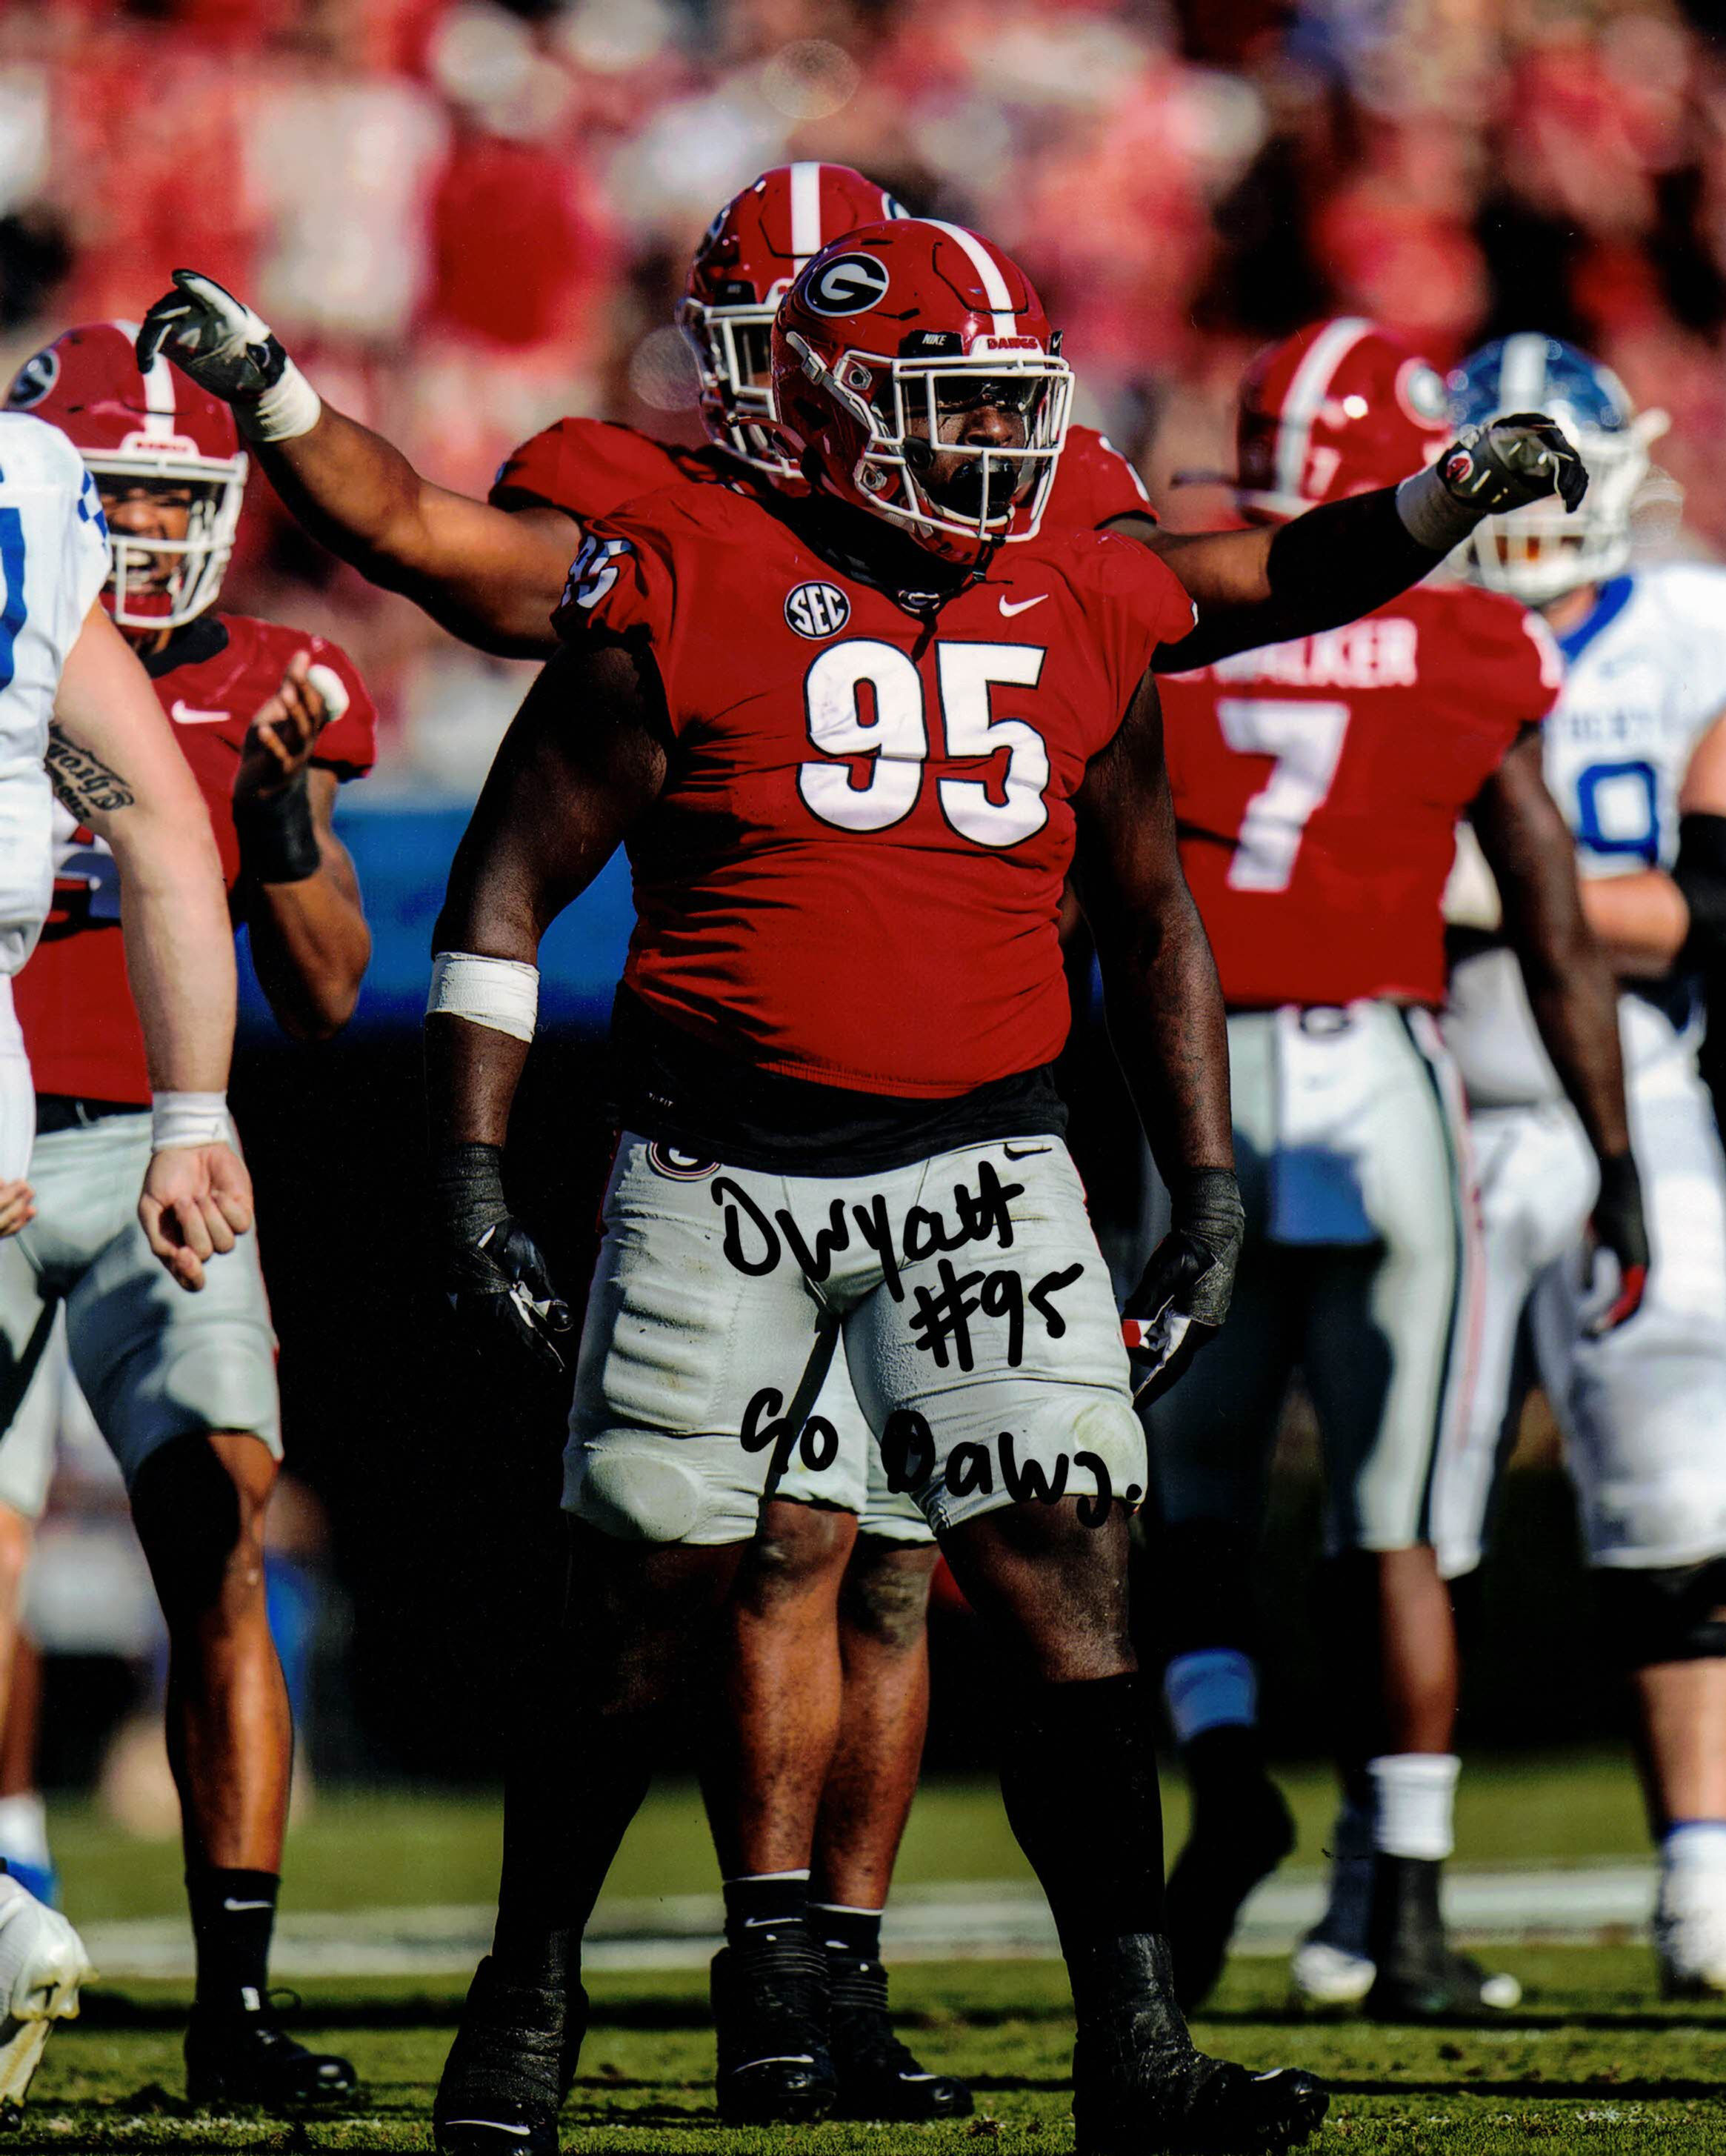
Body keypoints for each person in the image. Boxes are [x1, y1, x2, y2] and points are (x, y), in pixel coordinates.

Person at [139, 174, 1587, 2123]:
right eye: (944, 399)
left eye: (1007, 401)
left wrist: (1208, 1168)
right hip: (717, 1159)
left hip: (985, 1162)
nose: (993, 442)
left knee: (1064, 1571)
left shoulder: (1077, 558)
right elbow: (451, 643)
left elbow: (1207, 761)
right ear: (813, 404)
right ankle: (527, 2008)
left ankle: (1132, 2046)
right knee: (636, 1587)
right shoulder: (686, 550)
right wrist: (288, 401)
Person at [1139, 319, 1645, 2018]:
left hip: (1194, 1083)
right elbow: (1557, 924)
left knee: (1184, 1499)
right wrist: (1617, 1152)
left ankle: (1218, 1767)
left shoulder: (1159, 614)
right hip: (1386, 1079)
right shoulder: (1461, 639)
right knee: (1400, 1524)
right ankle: (1405, 1904)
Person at [0, 322, 376, 2108]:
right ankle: (17, 1891)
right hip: (13, 1138)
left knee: (216, 1522)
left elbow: (325, 997)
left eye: (179, 499)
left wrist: (285, 823)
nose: (151, 533)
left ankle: (236, 1993)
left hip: (162, 1146)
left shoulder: (270, 680)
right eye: (120, 495)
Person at [1417, 335, 1726, 2001]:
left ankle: (1702, 1875)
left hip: (1635, 1088)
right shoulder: (1384, 618)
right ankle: (1386, 1880)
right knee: (1411, 1510)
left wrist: (1501, 905)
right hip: (1438, 1093)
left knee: (1679, 1486)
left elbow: (1710, 916)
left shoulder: (1694, 628)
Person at [0, 400, 259, 2114]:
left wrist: (178, 1113)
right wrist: (193, 1110)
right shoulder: (24, 484)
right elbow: (156, 814)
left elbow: (165, 824)